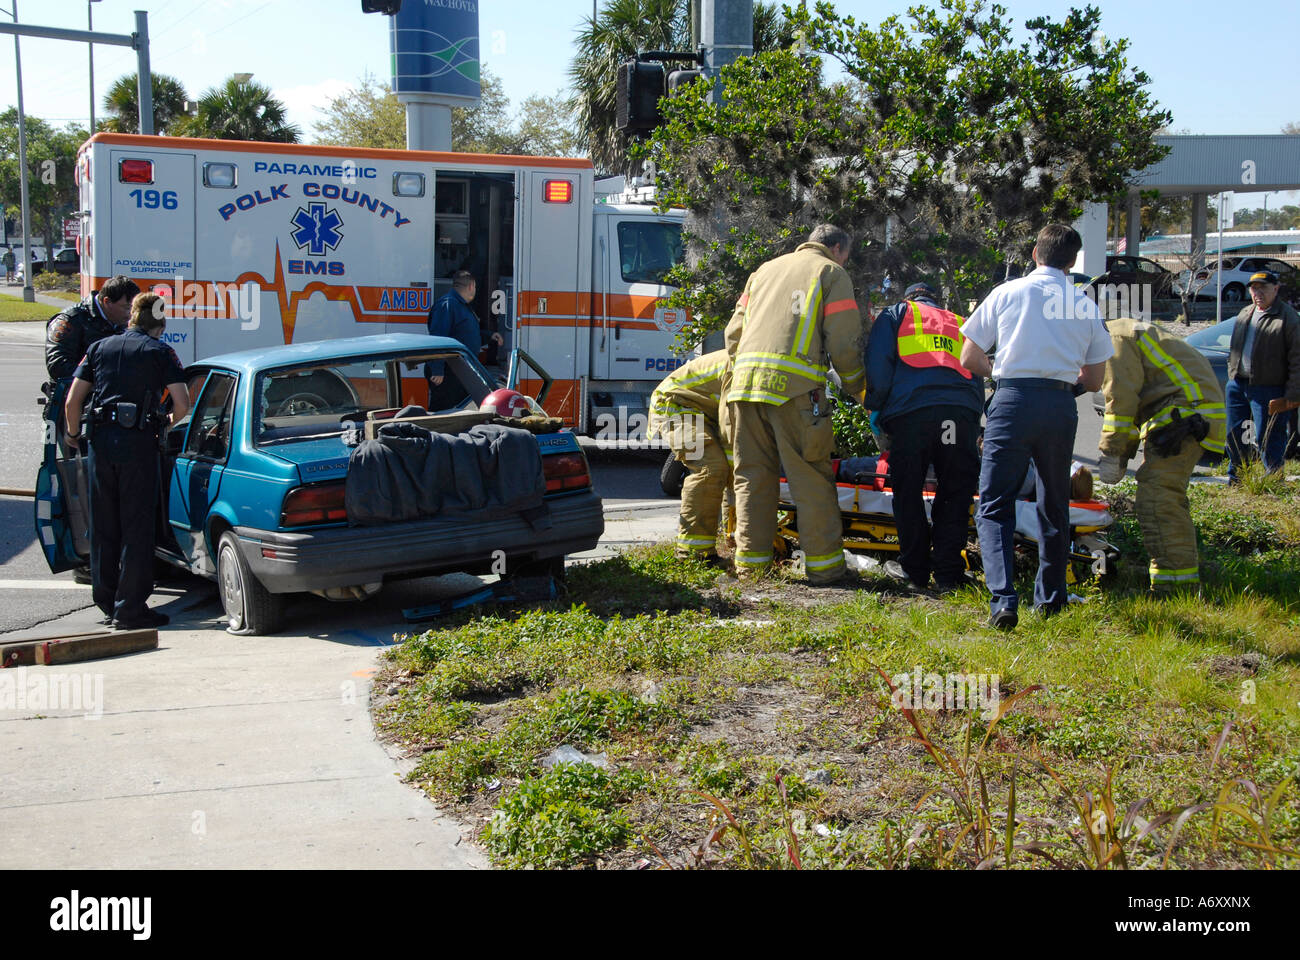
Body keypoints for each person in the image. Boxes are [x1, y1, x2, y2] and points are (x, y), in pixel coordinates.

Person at [959, 223, 1112, 630]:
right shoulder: (1084, 305)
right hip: (1060, 404)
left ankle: (1003, 601)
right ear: (1073, 260)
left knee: (994, 504)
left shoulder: (1007, 292)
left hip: (1011, 400)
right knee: (1054, 501)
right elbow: (1095, 380)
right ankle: (1051, 598)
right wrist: (1058, 389)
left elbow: (969, 356)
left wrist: (1002, 375)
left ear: (1034, 253)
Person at [724, 224, 867, 584]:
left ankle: (751, 568)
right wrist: (859, 389)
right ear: (837, 248)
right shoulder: (830, 272)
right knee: (811, 478)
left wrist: (742, 372)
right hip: (796, 391)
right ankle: (826, 570)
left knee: (752, 477)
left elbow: (732, 334)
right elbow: (844, 342)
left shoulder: (763, 271)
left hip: (745, 389)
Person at [64, 293, 189, 630]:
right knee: (136, 526)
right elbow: (182, 404)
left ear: (132, 318)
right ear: (160, 325)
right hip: (137, 446)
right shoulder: (160, 352)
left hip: (101, 445)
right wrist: (161, 426)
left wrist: (73, 434)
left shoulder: (99, 348)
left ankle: (106, 601)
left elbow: (73, 401)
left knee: (104, 524)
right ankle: (130, 609)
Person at [864, 281, 984, 592]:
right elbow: (976, 372)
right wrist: (971, 417)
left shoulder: (896, 314)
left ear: (910, 297)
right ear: (937, 301)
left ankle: (914, 571)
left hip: (913, 415)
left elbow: (878, 365)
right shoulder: (959, 322)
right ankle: (948, 573)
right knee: (955, 490)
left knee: (908, 489)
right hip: (956, 418)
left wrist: (876, 411)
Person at [1097, 317, 1226, 592]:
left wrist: (1112, 454)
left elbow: (1121, 402)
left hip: (1184, 420)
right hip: (1186, 416)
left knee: (1159, 499)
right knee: (1165, 497)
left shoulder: (1114, 338)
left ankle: (1174, 587)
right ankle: (1176, 579)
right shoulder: (1125, 330)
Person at [648, 350, 733, 561]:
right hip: (676, 406)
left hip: (702, 412)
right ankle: (693, 554)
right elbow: (731, 427)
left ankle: (729, 536)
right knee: (711, 468)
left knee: (727, 470)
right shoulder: (741, 368)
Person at [1224, 270, 1300, 481]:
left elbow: (1297, 358)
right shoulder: (1245, 312)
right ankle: (1236, 478)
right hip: (1238, 384)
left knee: (1269, 437)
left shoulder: (1288, 317)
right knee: (1234, 435)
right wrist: (1232, 374)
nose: (1257, 292)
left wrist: (1293, 395)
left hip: (1269, 387)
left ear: (1275, 289)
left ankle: (1273, 480)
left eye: (1263, 288)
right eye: (1254, 288)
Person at [425, 270, 503, 409]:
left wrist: (489, 336)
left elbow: (464, 334)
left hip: (459, 369)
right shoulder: (448, 305)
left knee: (456, 409)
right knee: (443, 410)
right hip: (448, 371)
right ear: (471, 286)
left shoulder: (460, 306)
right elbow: (438, 338)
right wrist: (437, 369)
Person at [45, 275, 140, 382]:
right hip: (74, 392)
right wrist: (100, 378)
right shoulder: (71, 320)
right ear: (107, 301)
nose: (130, 314)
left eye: (134, 308)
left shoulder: (122, 321)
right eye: (127, 307)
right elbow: (57, 365)